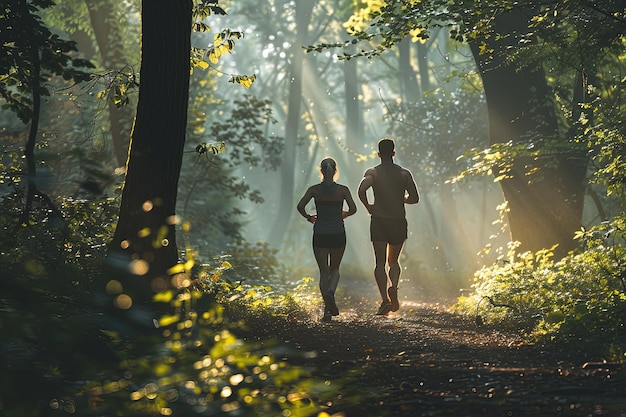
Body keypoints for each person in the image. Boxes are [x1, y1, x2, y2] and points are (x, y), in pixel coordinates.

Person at [357, 138, 419, 315]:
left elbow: (361, 190)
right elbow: (415, 198)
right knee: (394, 261)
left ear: (378, 154)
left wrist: (369, 206)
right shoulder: (404, 174)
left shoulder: (373, 173)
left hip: (379, 220)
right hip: (398, 221)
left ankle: (384, 299)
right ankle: (395, 287)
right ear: (394, 153)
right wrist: (402, 199)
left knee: (380, 262)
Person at [297, 157, 357, 321]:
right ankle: (330, 293)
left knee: (323, 272)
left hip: (320, 235)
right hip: (338, 234)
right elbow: (353, 208)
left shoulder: (314, 190)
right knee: (334, 270)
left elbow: (300, 206)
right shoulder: (343, 190)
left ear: (321, 171)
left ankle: (327, 310)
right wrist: (344, 214)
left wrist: (309, 217)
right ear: (335, 170)